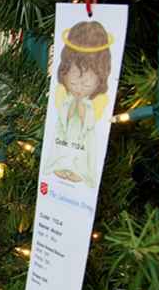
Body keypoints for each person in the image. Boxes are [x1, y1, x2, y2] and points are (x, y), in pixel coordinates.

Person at [44, 20, 112, 188]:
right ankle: (59, 166)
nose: (79, 89)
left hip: (83, 137)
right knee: (59, 146)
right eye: (73, 83)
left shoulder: (100, 99)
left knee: (84, 153)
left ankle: (78, 171)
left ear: (100, 79)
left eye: (87, 85)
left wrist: (83, 106)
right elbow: (60, 114)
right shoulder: (61, 92)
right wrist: (69, 103)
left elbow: (90, 122)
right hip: (64, 133)